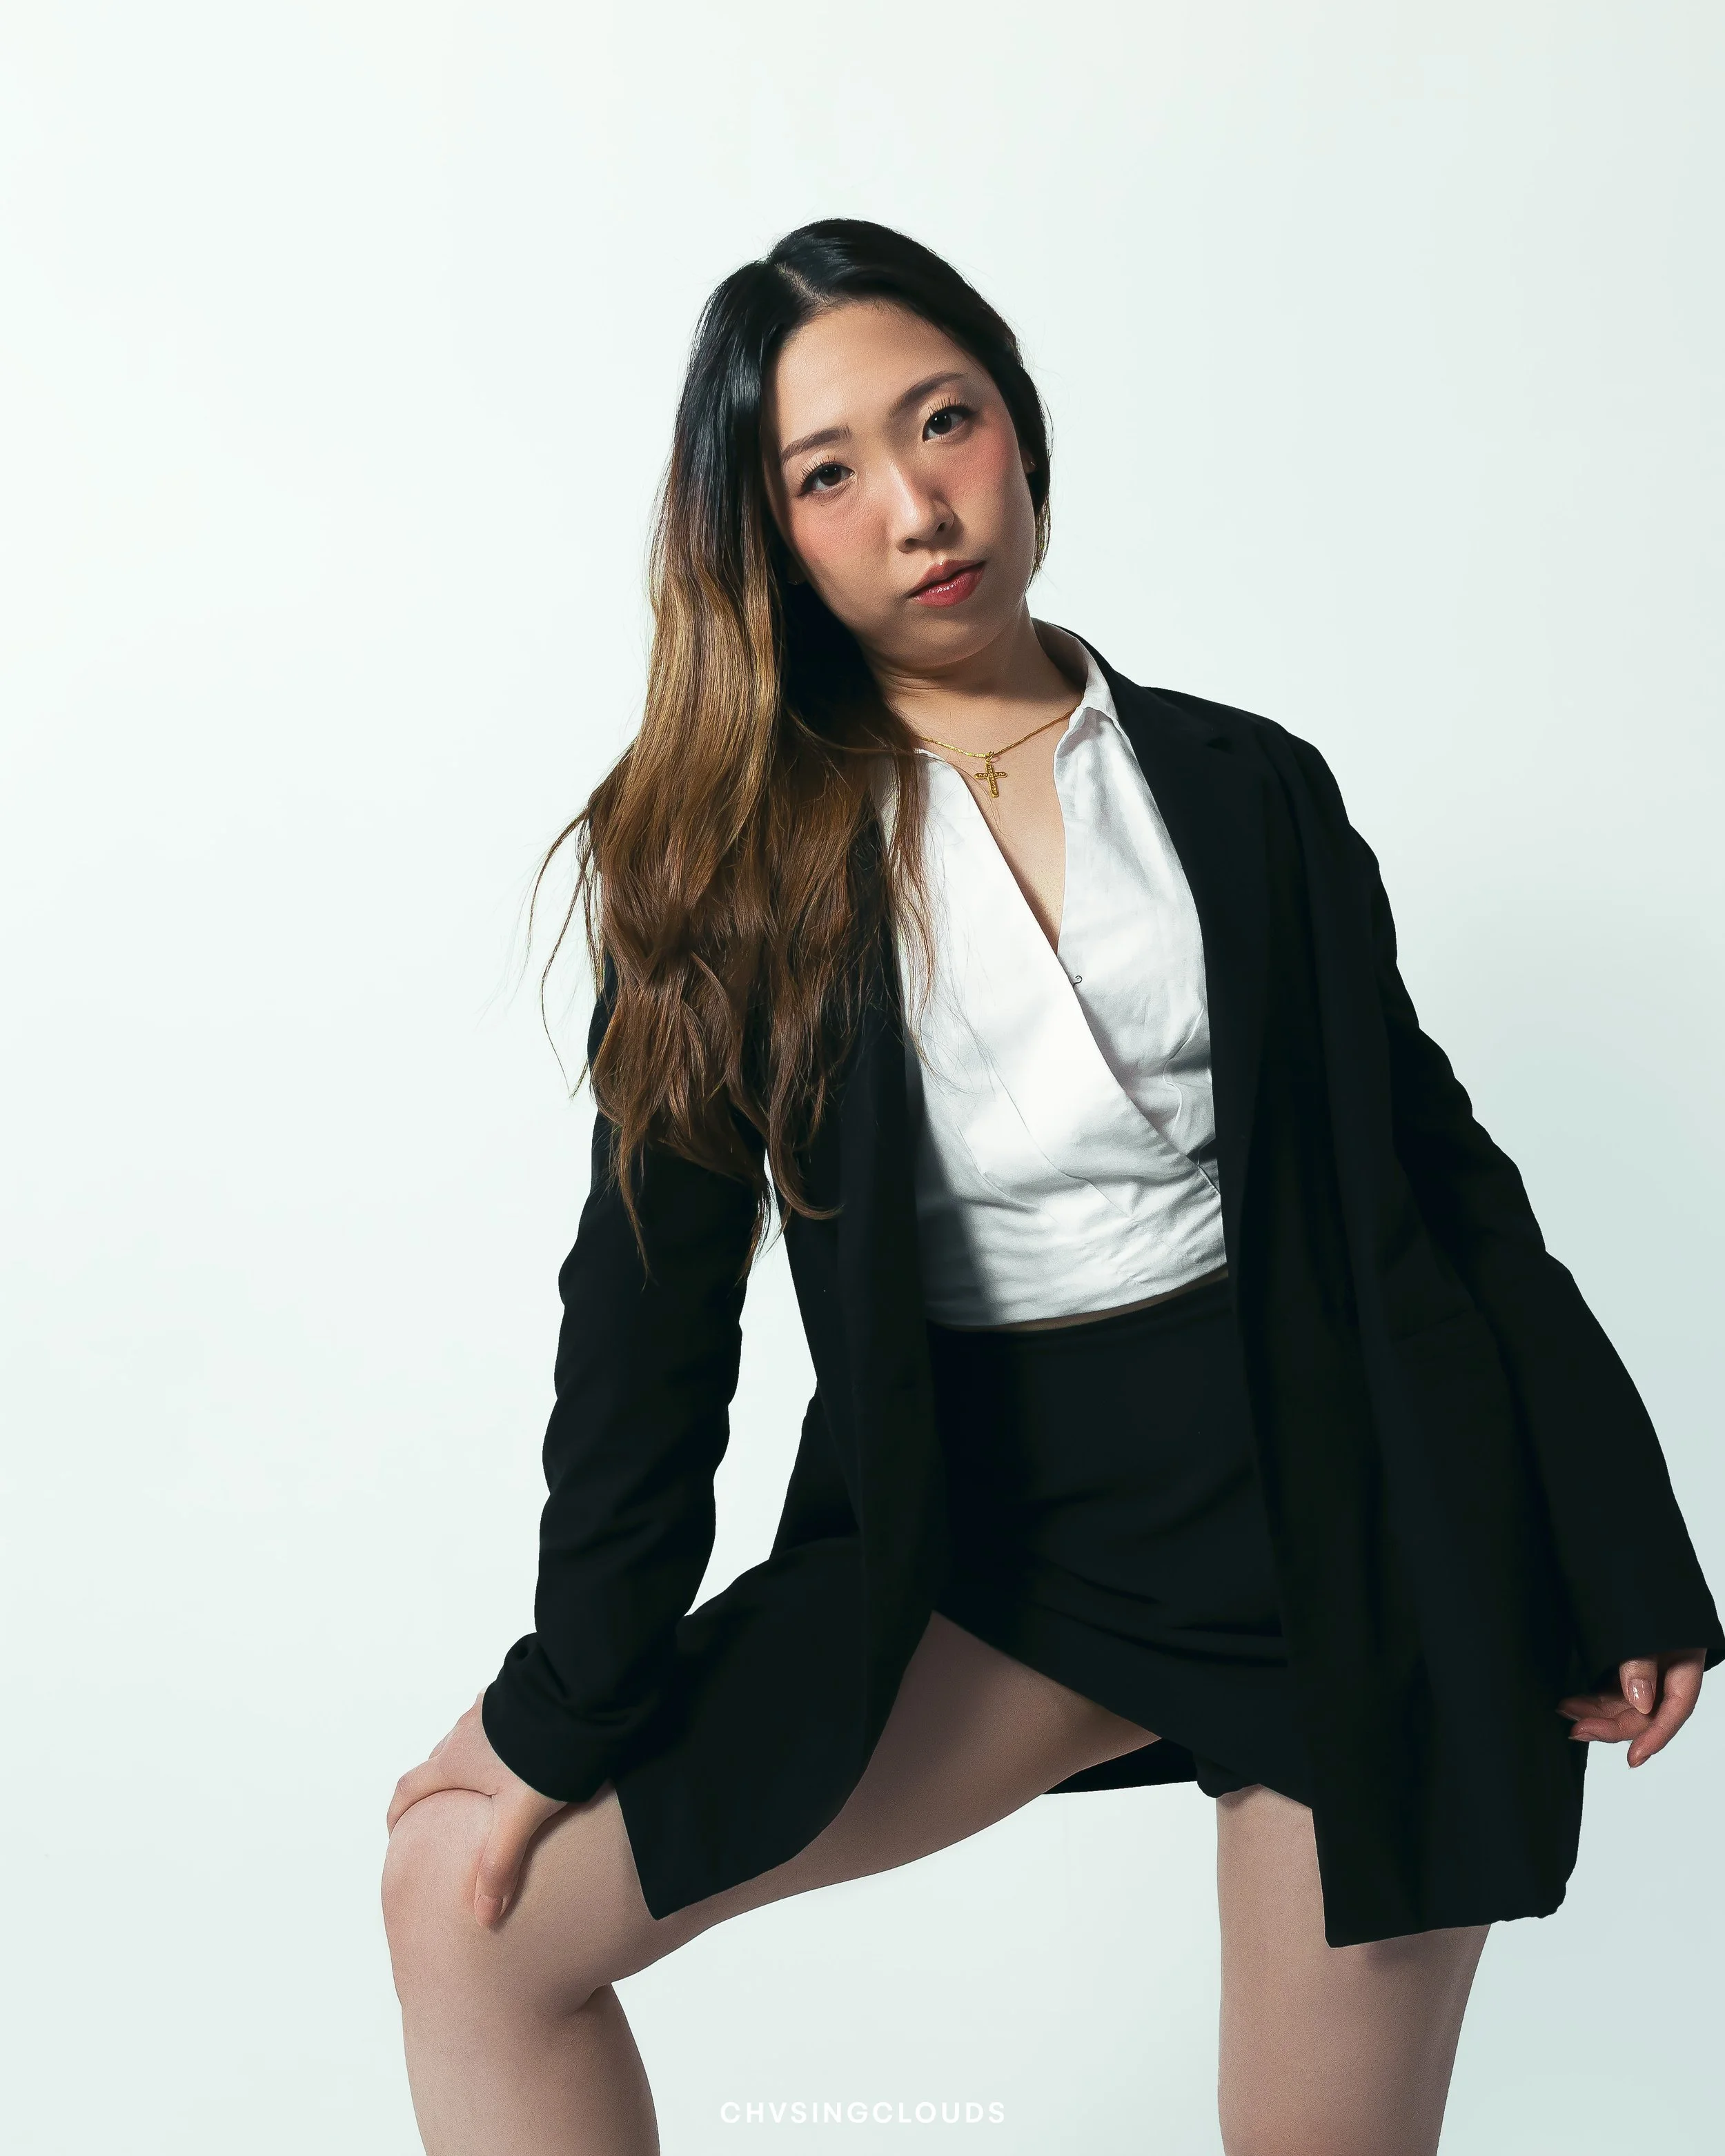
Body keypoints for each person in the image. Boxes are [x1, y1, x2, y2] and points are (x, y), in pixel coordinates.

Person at [379, 219, 1722, 2156]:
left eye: (946, 422)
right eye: (826, 473)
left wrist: (1614, 1541)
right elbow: (649, 1313)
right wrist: (564, 1700)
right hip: (990, 1544)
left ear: (1020, 427)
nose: (917, 507)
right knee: (465, 1912)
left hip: (1349, 1516)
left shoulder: (1249, 788)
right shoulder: (727, 864)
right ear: (762, 534)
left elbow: (1439, 1178)